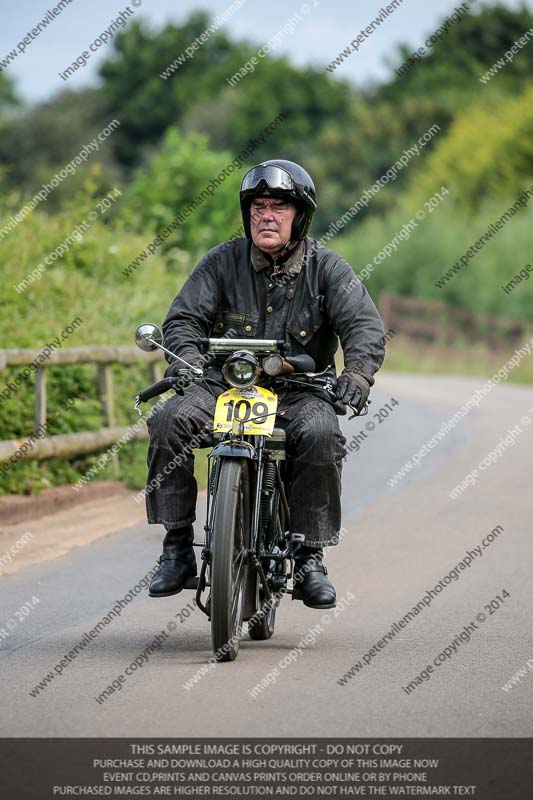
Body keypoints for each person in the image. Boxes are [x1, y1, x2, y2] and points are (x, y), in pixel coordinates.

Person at [146, 159, 385, 609]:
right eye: (258, 206)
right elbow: (183, 319)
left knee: (321, 433)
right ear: (247, 213)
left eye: (278, 206)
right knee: (168, 421)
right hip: (221, 385)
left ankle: (309, 556)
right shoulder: (220, 262)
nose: (267, 215)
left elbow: (364, 327)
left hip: (300, 390)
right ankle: (177, 547)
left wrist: (356, 374)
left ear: (300, 216)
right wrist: (187, 361)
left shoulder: (327, 268)